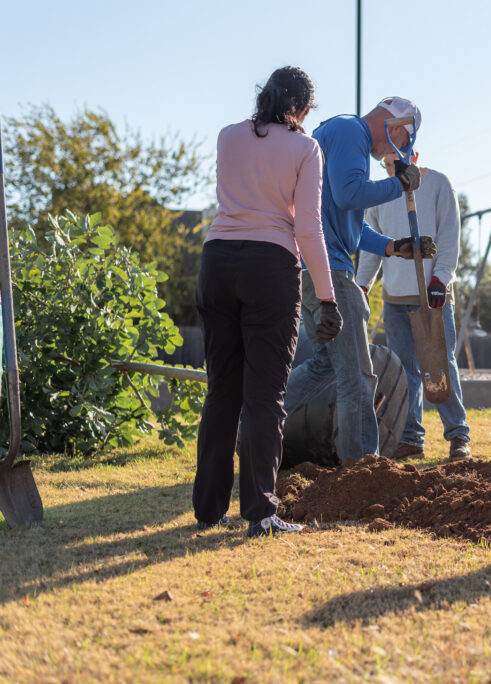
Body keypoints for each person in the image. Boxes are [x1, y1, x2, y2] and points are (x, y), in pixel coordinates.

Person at [194, 66, 342, 538]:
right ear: (300, 107)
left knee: (222, 391)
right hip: (269, 268)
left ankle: (208, 508)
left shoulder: (227, 137)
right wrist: (328, 297)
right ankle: (260, 513)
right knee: (264, 398)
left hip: (217, 263)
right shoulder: (305, 148)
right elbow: (307, 229)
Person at [285, 97, 435, 463]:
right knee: (357, 376)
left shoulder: (339, 133)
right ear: (396, 125)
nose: (397, 150)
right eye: (402, 141)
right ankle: (362, 468)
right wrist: (399, 185)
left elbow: (349, 224)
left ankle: (255, 413)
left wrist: (393, 247)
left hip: (310, 267)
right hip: (329, 271)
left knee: (324, 364)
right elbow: (350, 195)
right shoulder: (352, 131)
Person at [358, 154, 471, 462]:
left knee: (439, 364)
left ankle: (458, 435)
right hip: (395, 297)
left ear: (415, 155)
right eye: (387, 164)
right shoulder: (380, 194)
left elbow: (449, 235)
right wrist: (362, 285)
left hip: (431, 293)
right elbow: (372, 245)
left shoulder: (437, 184)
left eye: (399, 162)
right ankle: (410, 438)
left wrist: (441, 277)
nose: (392, 168)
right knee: (405, 373)